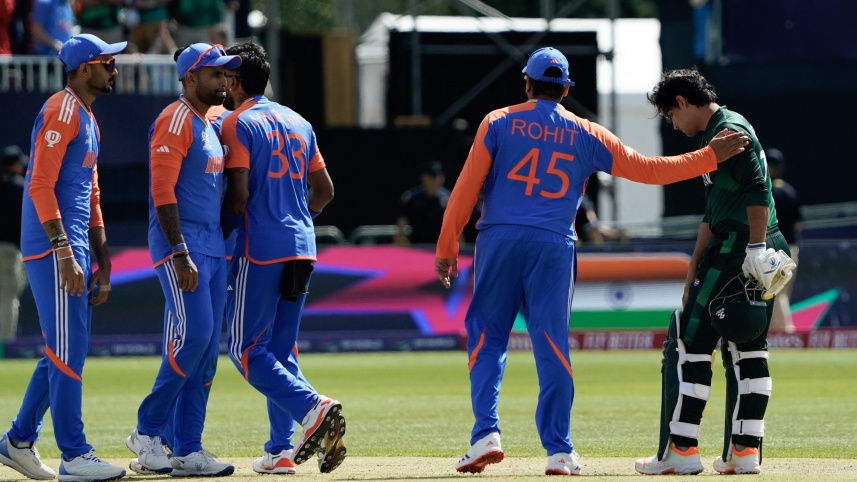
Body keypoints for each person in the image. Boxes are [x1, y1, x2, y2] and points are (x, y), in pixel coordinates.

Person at [434, 47, 749, 477]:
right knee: (552, 346)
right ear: (565, 90)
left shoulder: (498, 121)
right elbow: (650, 170)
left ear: (527, 84)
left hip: (499, 239)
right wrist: (710, 156)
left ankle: (485, 435)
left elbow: (466, 187)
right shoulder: (587, 133)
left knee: (487, 340)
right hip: (553, 245)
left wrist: (447, 246)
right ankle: (559, 452)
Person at [634, 67, 792, 475]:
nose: (674, 124)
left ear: (683, 101)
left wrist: (754, 248)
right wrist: (693, 267)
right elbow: (714, 210)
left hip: (740, 246)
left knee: (690, 342)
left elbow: (758, 190)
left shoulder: (728, 131)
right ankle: (745, 451)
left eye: (672, 115)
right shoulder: (717, 135)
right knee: (748, 343)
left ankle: (681, 451)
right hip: (750, 242)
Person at [0, 34, 125, 481]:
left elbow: (91, 195)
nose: (114, 69)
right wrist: (64, 251)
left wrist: (103, 260)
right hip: (54, 248)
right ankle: (74, 454)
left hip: (71, 247)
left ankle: (17, 441)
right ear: (84, 68)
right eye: (106, 62)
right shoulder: (62, 109)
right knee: (68, 348)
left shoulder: (87, 116)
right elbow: (39, 184)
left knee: (65, 347)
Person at [219, 42, 345, 475]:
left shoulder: (236, 123)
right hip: (303, 245)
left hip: (260, 247)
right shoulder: (299, 121)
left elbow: (238, 196)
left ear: (236, 82)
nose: (222, 86)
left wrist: (216, 236)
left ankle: (313, 408)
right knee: (279, 350)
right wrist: (296, 218)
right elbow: (325, 191)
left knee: (244, 349)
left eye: (225, 78)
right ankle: (280, 451)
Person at [125, 43, 240, 477]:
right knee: (194, 338)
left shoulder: (208, 123)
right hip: (183, 248)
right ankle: (147, 429)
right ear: (190, 77)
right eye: (215, 73)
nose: (224, 81)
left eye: (226, 74)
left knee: (207, 351)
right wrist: (179, 251)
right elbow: (162, 191)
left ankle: (189, 449)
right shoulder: (174, 119)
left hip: (212, 246)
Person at [766, 148, 800, 333]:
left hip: (775, 250)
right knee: (782, 294)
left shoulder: (768, 192)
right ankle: (782, 332)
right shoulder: (790, 191)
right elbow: (798, 224)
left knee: (775, 293)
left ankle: (786, 333)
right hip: (791, 249)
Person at [0, 146, 29, 342]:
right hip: (9, 250)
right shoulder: (21, 188)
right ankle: (4, 345)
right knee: (8, 297)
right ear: (15, 166)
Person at [394, 160, 452, 245]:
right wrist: (396, 247)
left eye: (440, 176)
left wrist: (461, 249)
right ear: (424, 177)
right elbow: (401, 227)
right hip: (417, 247)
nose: (437, 179)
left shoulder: (448, 199)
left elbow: (455, 228)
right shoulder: (411, 198)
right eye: (433, 176)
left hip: (440, 248)